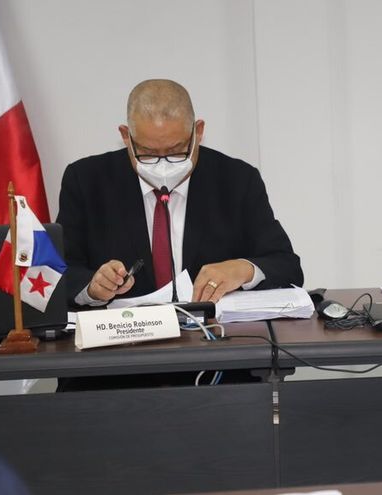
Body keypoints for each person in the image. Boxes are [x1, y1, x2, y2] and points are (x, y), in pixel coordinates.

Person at [56, 79, 302, 389]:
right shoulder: (86, 180)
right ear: (126, 137)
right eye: (147, 153)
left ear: (198, 132)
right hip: (113, 370)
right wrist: (92, 287)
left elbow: (287, 265)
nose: (162, 165)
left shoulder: (237, 179)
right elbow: (59, 272)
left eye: (175, 151)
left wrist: (243, 269)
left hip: (218, 368)